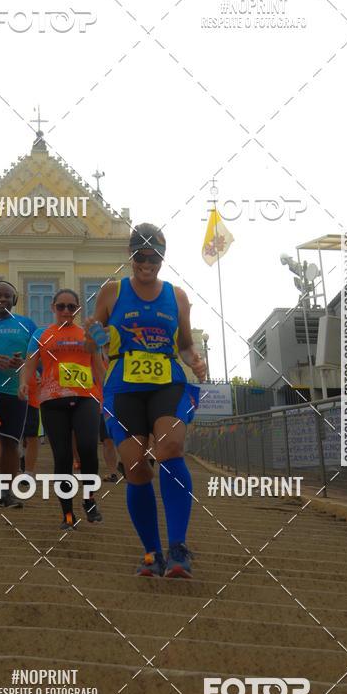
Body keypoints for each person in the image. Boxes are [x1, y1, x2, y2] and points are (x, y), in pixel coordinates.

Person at [91, 223, 206, 578]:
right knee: (136, 467)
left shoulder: (177, 296)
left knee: (171, 445)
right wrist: (95, 335)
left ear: (162, 257)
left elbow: (185, 343)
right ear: (130, 256)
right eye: (140, 256)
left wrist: (196, 361)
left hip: (166, 383)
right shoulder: (111, 293)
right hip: (123, 387)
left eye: (153, 256)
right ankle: (151, 553)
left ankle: (179, 547)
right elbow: (93, 336)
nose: (146, 263)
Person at [19, 289, 104, 528]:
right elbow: (30, 364)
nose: (66, 311)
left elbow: (98, 367)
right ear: (53, 308)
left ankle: (89, 499)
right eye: (61, 306)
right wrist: (24, 383)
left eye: (71, 307)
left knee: (88, 448)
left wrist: (108, 395)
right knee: (63, 456)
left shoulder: (87, 334)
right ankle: (67, 514)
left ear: (78, 309)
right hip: (52, 399)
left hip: (85, 396)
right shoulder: (41, 333)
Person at [0, 281, 37, 507]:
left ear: (14, 300)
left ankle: (6, 493)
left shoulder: (27, 324)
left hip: (15, 393)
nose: (2, 299)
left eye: (7, 296)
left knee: (10, 443)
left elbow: (36, 356)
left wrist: (23, 362)